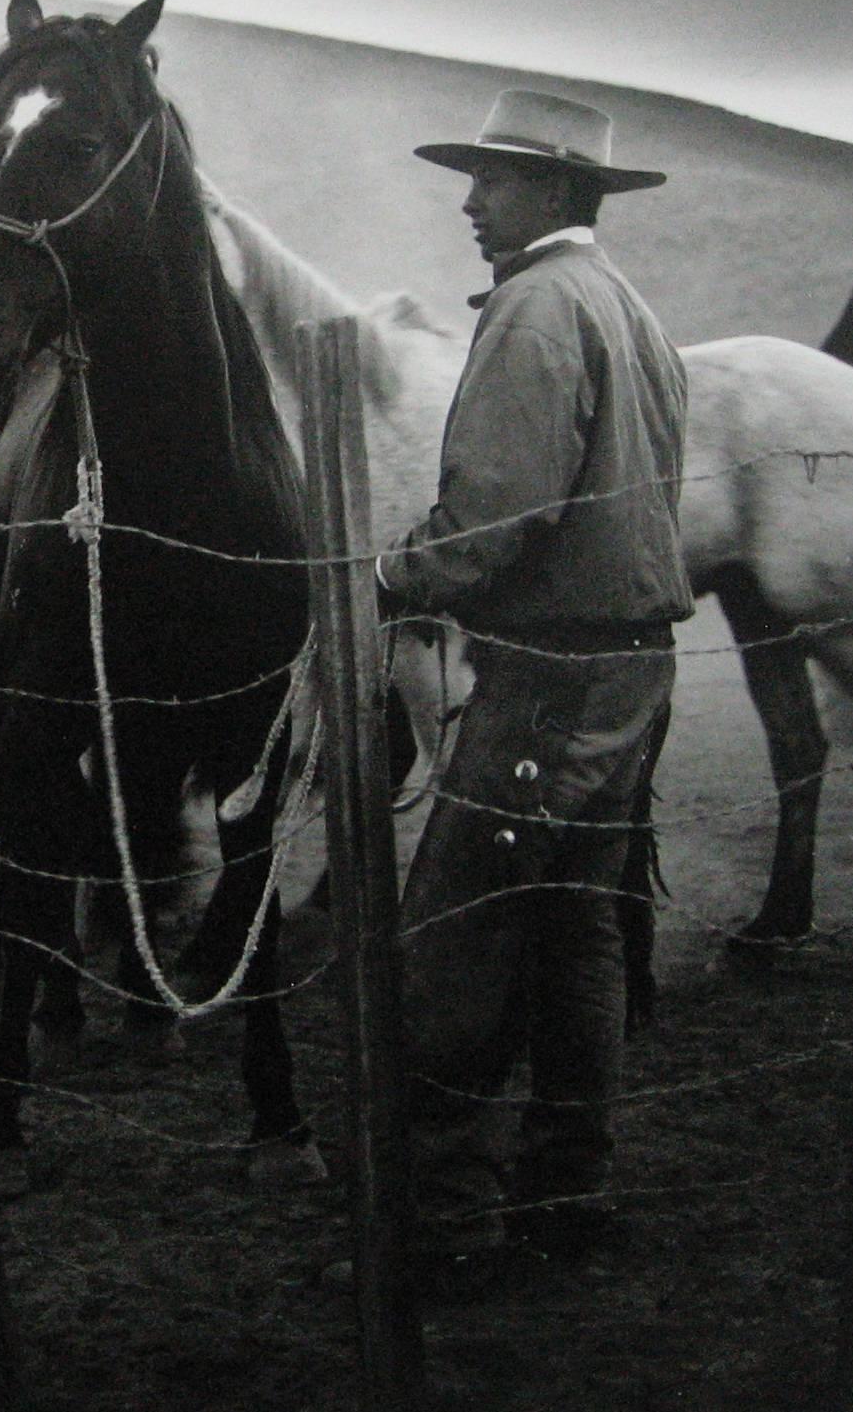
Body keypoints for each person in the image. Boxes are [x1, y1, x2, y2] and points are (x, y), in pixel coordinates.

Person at [377, 88, 694, 1301]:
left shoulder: (534, 307)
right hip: (628, 673)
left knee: (455, 942)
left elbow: (499, 517)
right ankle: (571, 1191)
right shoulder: (626, 307)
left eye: (491, 180)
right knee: (577, 937)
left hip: (543, 680)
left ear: (554, 194)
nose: (469, 201)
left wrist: (393, 570)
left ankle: (449, 1220)